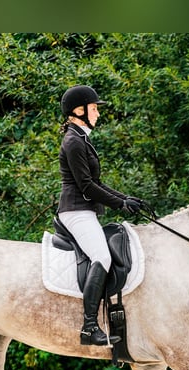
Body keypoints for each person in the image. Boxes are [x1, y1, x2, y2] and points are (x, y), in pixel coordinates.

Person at [57, 85, 144, 346]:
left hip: (84, 211)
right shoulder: (73, 141)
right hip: (75, 211)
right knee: (102, 256)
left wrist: (125, 199)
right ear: (78, 111)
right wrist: (119, 204)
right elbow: (86, 186)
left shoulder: (81, 138)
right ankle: (89, 327)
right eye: (94, 109)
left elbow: (97, 182)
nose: (97, 114)